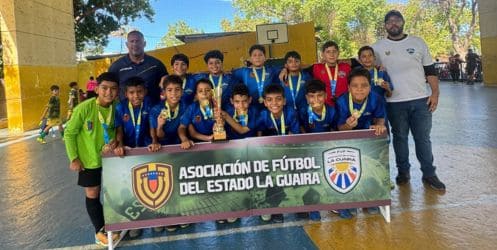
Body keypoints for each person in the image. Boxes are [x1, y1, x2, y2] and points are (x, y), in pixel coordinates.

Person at [372, 10, 445, 191]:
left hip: (421, 101)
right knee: (400, 139)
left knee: (423, 139)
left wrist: (435, 94)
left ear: (403, 22)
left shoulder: (417, 42)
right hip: (393, 103)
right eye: (389, 21)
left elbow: (430, 71)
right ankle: (403, 172)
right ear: (385, 26)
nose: (393, 23)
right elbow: (363, 64)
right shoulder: (378, 47)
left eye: (397, 20)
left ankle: (429, 174)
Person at [63, 72, 121, 247]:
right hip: (89, 161)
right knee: (92, 195)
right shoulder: (84, 108)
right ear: (96, 89)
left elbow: (119, 128)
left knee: (114, 193)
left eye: (113, 89)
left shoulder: (117, 107)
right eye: (104, 88)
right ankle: (99, 230)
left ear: (117, 91)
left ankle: (115, 224)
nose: (108, 92)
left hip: (111, 158)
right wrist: (74, 158)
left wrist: (117, 140)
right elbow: (69, 133)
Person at [113, 76, 161, 237]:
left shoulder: (150, 104)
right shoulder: (120, 108)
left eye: (139, 92)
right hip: (129, 151)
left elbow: (153, 126)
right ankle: (135, 222)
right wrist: (119, 145)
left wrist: (154, 141)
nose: (136, 96)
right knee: (132, 186)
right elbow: (119, 130)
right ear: (125, 94)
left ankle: (156, 218)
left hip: (147, 149)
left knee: (153, 185)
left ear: (145, 92)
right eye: (132, 93)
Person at [336, 68, 387, 216]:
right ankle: (352, 200)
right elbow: (339, 128)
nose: (359, 89)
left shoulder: (376, 98)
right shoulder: (341, 101)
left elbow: (380, 118)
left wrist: (379, 125)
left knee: (369, 166)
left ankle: (370, 199)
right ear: (348, 87)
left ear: (370, 87)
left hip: (367, 137)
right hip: (347, 139)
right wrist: (347, 126)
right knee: (349, 170)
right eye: (355, 86)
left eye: (364, 85)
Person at [256, 84, 300, 223]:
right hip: (268, 154)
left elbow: (295, 135)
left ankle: (300, 206)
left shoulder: (291, 113)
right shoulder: (263, 115)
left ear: (284, 101)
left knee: (291, 179)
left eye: (278, 99)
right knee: (271, 181)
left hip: (288, 151)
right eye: (269, 100)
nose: (274, 103)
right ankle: (272, 209)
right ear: (264, 102)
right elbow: (258, 136)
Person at [109, 30, 168, 105]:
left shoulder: (156, 64)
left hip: (151, 112)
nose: (135, 44)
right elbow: (110, 88)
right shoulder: (116, 66)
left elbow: (167, 85)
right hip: (126, 114)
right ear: (127, 44)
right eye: (132, 41)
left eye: (138, 41)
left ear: (144, 44)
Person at [232, 44, 280, 111]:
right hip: (250, 108)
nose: (257, 57)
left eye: (260, 55)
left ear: (265, 57)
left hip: (268, 107)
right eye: (254, 55)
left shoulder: (271, 70)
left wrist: (285, 69)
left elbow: (286, 68)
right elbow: (231, 73)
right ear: (250, 59)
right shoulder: (244, 71)